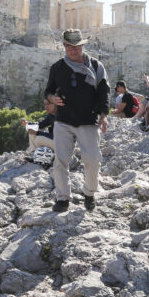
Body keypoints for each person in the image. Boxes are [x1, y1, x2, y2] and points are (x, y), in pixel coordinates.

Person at [44, 29, 110, 212]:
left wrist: (103, 116)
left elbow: (104, 93)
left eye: (76, 46)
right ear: (64, 46)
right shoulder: (57, 68)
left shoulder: (96, 66)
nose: (72, 50)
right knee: (61, 160)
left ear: (83, 45)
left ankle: (89, 193)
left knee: (93, 160)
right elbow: (48, 90)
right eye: (68, 46)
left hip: (88, 120)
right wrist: (52, 99)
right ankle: (63, 198)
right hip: (63, 120)